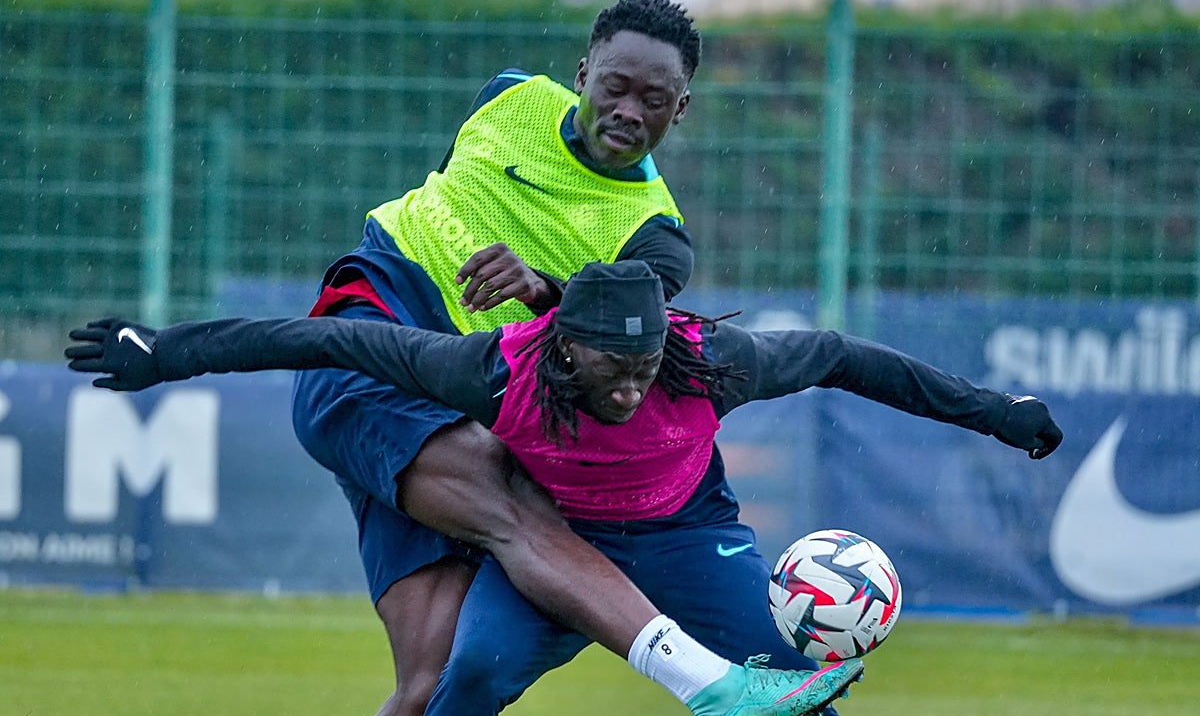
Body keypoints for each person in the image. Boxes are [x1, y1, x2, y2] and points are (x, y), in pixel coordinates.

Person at [136, 0, 867, 716]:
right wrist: (170, 350)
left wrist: (543, 287)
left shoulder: (656, 238)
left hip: (461, 403)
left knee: (435, 687)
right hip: (376, 353)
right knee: (524, 519)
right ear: (583, 73)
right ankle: (711, 684)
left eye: (654, 99)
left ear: (680, 111)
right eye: (615, 86)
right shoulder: (510, 97)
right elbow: (448, 191)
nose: (628, 110)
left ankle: (712, 678)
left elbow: (610, 334)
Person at [66, 260, 1064, 714]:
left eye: (644, 370)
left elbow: (849, 357)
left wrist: (997, 411)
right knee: (471, 680)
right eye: (609, 373)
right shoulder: (493, 367)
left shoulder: (712, 361)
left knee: (788, 690)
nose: (631, 390)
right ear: (562, 350)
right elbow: (325, 336)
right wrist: (165, 351)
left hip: (687, 539)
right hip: (555, 552)